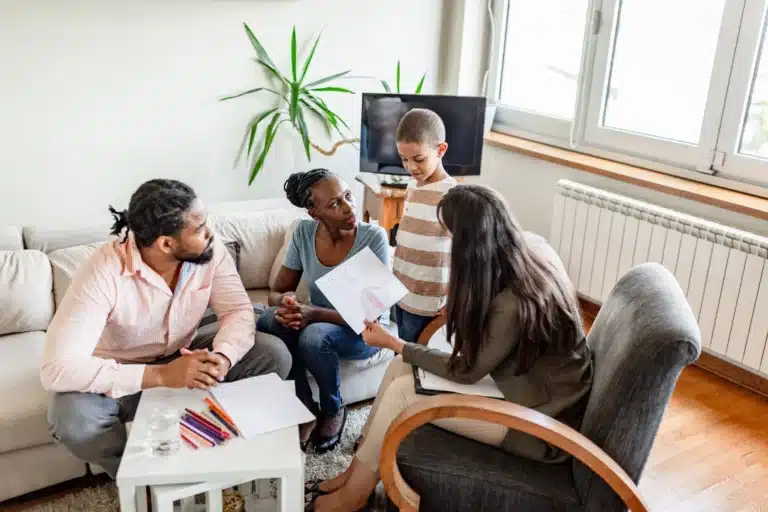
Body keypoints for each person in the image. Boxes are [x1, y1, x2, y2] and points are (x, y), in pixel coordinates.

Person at [308, 185, 594, 512]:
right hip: (526, 391)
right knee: (400, 367)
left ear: (471, 244)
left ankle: (352, 497)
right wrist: (402, 349)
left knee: (404, 392)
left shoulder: (512, 302)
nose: (448, 245)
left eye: (450, 236)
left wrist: (393, 342)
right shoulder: (522, 257)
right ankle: (356, 472)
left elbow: (465, 371)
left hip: (541, 424)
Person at [41, 179, 292, 478]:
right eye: (199, 229)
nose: (210, 233)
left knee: (273, 354)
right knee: (72, 419)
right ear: (166, 243)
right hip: (121, 370)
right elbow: (56, 368)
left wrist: (222, 358)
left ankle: (221, 452)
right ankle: (137, 478)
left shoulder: (209, 250)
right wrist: (160, 375)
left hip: (183, 351)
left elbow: (237, 311)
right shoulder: (103, 271)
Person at [257, 168, 390, 453]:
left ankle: (333, 407)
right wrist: (288, 305)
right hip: (318, 317)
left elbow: (371, 316)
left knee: (314, 336)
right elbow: (276, 293)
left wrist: (311, 313)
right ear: (314, 213)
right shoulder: (304, 233)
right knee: (269, 320)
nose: (348, 207)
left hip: (366, 331)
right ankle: (303, 406)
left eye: (348, 196)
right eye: (334, 204)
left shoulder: (372, 238)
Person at [391, 108, 457, 342]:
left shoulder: (451, 196)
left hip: (428, 301)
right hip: (401, 292)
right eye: (404, 159)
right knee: (401, 349)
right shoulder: (412, 187)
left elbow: (463, 254)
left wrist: (455, 298)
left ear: (440, 150)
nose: (410, 167)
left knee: (414, 359)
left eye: (418, 159)